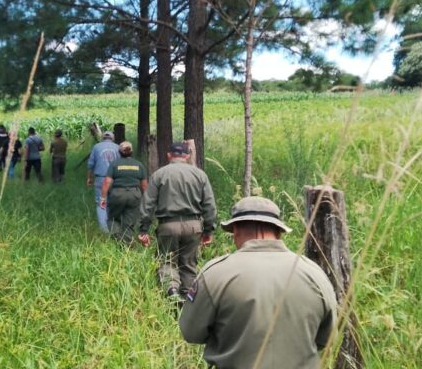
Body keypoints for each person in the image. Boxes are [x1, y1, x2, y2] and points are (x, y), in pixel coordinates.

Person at [178, 196, 338, 369]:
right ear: (279, 231)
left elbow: (191, 332)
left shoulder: (214, 274)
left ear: (236, 230)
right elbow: (327, 339)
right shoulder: (314, 274)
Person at [139, 142, 217, 300]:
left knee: (168, 261)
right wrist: (208, 230)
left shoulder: (159, 174)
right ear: (187, 156)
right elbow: (209, 205)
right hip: (194, 226)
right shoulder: (200, 175)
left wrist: (143, 229)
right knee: (188, 264)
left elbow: (147, 204)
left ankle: (172, 292)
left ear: (169, 155)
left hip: (168, 226)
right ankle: (189, 299)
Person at [99, 141, 148, 244]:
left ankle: (119, 239)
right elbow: (144, 185)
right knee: (129, 223)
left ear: (119, 152)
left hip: (117, 194)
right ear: (131, 152)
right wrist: (146, 200)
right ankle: (127, 244)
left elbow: (107, 181)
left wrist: (103, 198)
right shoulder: (139, 165)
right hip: (135, 195)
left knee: (112, 219)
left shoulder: (115, 164)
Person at [87, 131, 120, 233]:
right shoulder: (118, 147)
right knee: (113, 202)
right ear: (112, 138)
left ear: (102, 138)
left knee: (101, 203)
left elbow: (91, 164)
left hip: (100, 179)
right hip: (115, 179)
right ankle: (113, 226)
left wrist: (89, 178)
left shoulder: (96, 147)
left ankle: (104, 229)